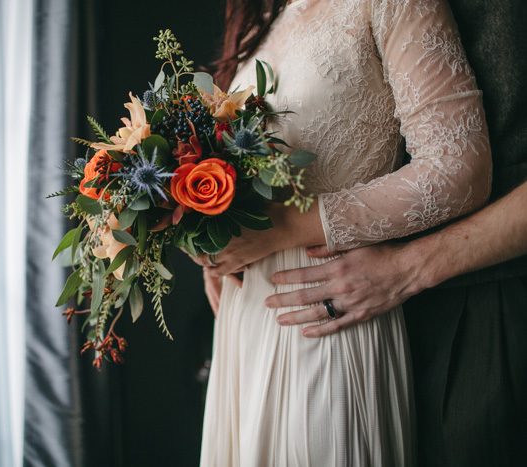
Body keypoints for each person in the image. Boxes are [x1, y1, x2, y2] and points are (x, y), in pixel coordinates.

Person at [196, 0, 492, 464]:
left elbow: (459, 168)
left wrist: (285, 229)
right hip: (246, 321)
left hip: (330, 309)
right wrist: (211, 237)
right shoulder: (264, 17)